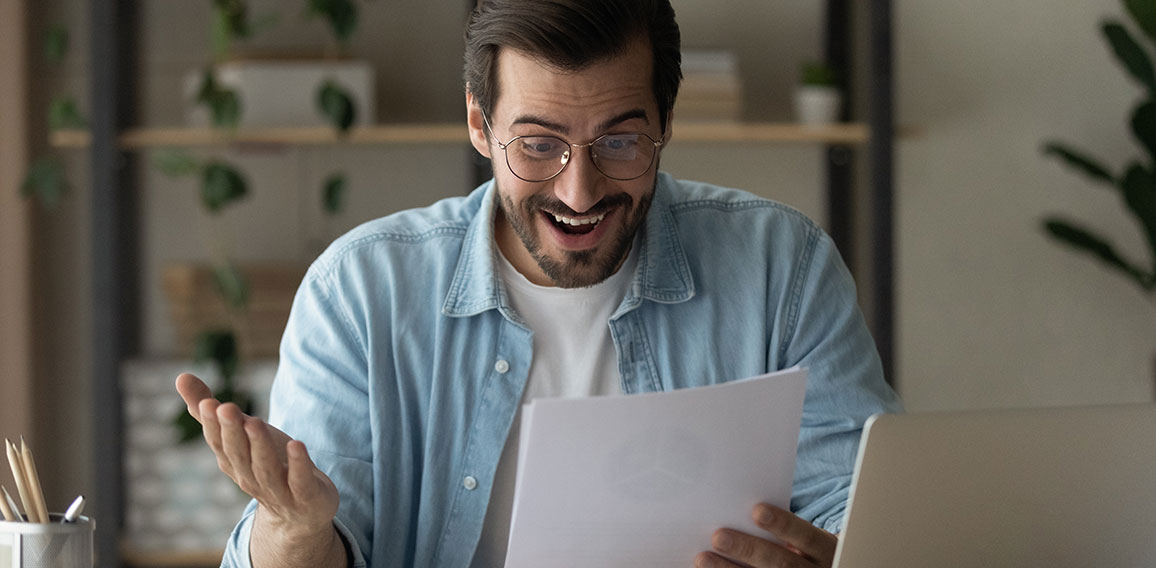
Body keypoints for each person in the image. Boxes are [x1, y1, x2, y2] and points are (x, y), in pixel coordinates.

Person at [175, 1, 901, 566]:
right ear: (477, 124)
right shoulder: (359, 292)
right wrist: (292, 531)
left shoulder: (785, 266)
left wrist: (841, 556)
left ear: (667, 122)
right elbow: (303, 553)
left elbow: (857, 507)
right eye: (538, 144)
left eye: (620, 141)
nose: (579, 191)